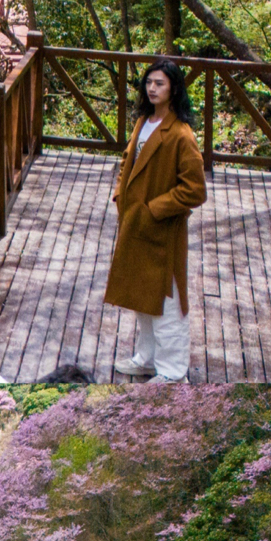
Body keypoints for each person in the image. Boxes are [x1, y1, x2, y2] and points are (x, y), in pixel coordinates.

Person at [103, 56, 206, 381]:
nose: (152, 88)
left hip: (161, 231)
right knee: (141, 295)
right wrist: (121, 192)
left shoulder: (181, 135)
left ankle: (174, 372)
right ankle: (147, 358)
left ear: (174, 89)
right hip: (134, 225)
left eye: (159, 83)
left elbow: (195, 190)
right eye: (149, 82)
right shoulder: (144, 121)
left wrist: (154, 210)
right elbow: (127, 159)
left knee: (168, 302)